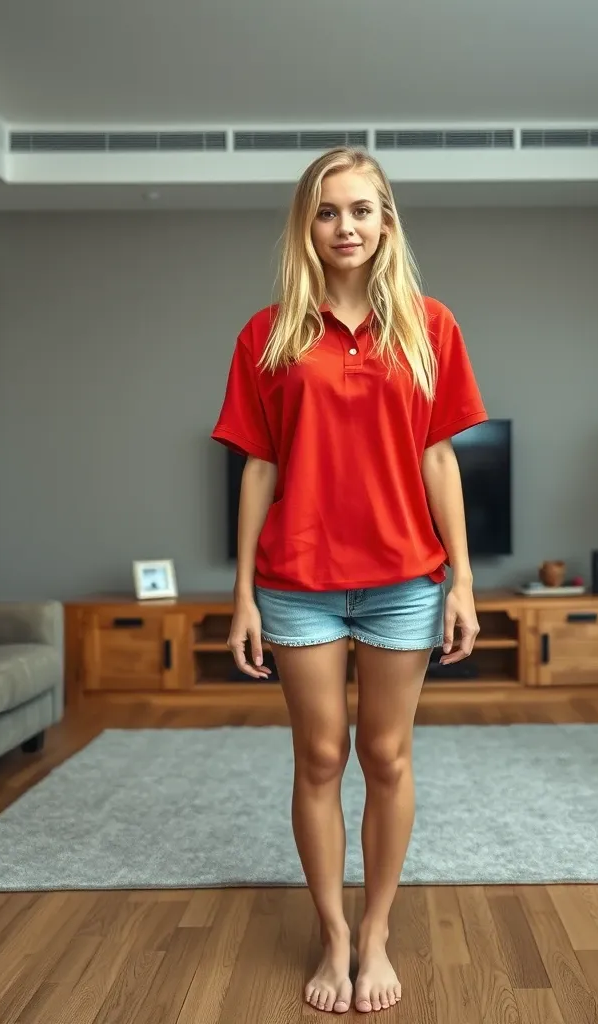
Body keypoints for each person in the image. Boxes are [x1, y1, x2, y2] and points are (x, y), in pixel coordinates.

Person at [211, 146, 487, 1015]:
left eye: (362, 209)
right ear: (307, 224)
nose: (346, 226)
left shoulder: (431, 325)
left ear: (387, 220)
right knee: (321, 756)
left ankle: (377, 933)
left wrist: (465, 583)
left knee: (387, 755)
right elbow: (256, 468)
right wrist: (242, 593)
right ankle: (334, 932)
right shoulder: (267, 334)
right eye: (329, 211)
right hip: (296, 579)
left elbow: (440, 459)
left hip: (407, 577)